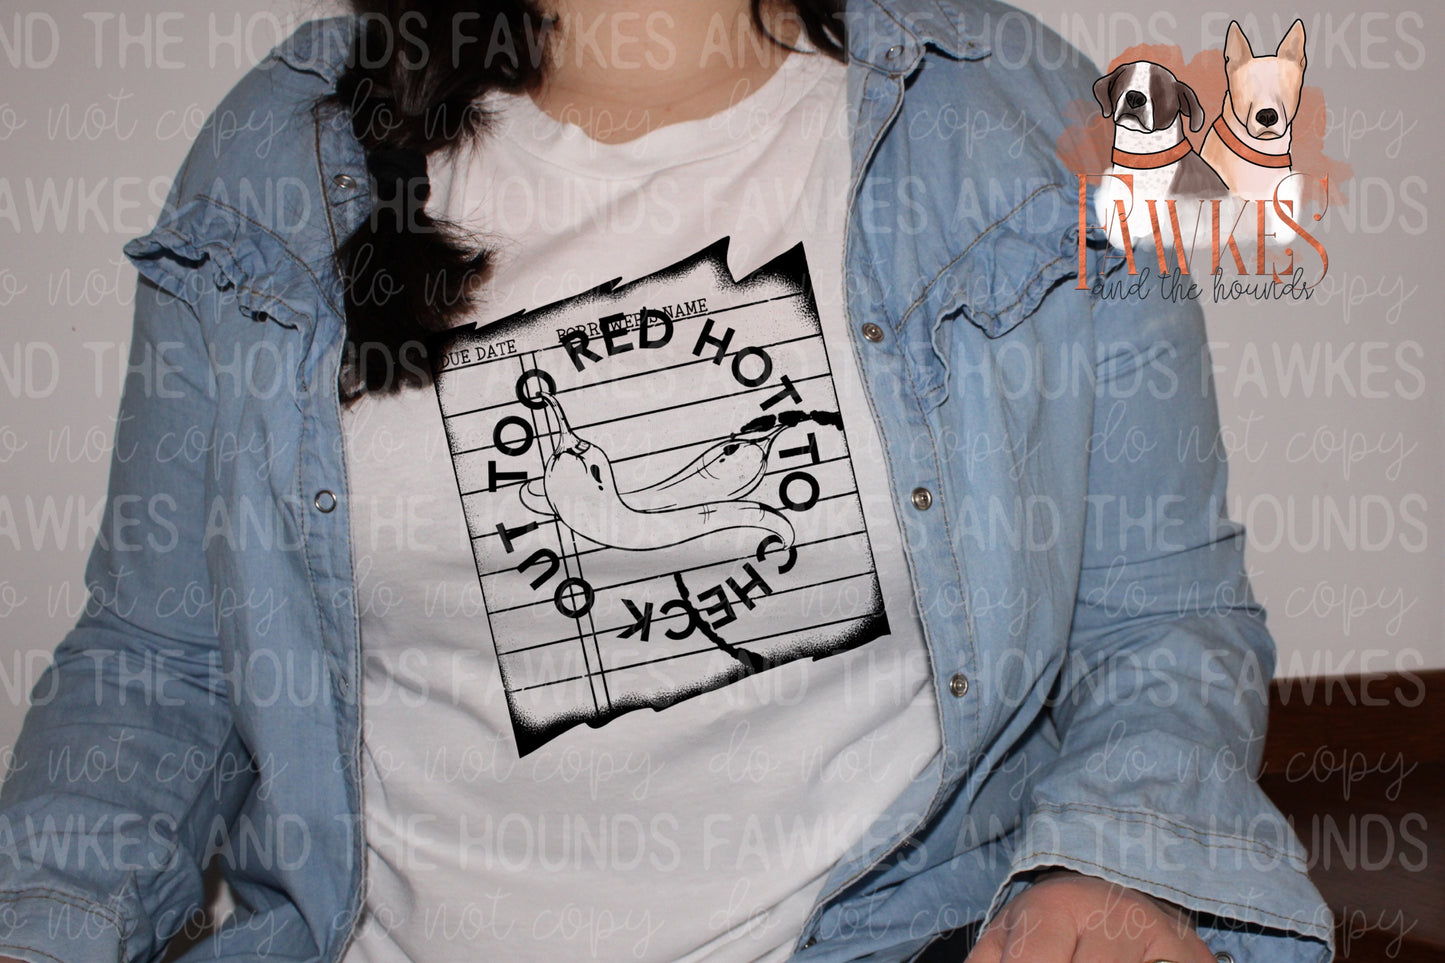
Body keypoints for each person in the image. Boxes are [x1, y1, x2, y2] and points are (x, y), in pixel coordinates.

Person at [0, 0, 1333, 961]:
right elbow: (155, 666)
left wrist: (1109, 865)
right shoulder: (276, 164)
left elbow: (1159, 617)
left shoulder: (1026, 125)